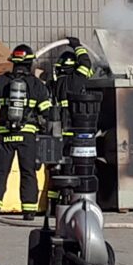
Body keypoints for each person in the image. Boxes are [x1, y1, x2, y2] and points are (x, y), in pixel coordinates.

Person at [0, 44, 53, 220]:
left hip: (4, 134)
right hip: (27, 135)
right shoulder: (36, 85)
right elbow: (47, 113)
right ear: (30, 63)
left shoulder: (1, 82)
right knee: (28, 172)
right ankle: (29, 211)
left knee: (1, 171)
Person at [44, 37, 94, 204]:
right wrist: (78, 46)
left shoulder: (52, 84)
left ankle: (53, 205)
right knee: (74, 166)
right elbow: (86, 64)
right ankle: (72, 200)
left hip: (56, 131)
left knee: (56, 169)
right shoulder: (75, 80)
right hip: (75, 131)